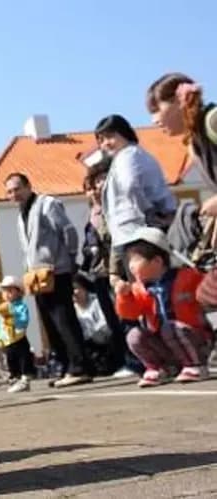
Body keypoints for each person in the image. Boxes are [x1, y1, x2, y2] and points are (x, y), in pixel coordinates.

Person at [5, 172, 93, 387]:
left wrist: (71, 258)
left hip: (56, 270)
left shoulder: (47, 204)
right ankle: (65, 366)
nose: (14, 194)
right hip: (36, 275)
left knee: (64, 319)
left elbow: (68, 230)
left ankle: (79, 367)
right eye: (9, 191)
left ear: (28, 186)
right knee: (49, 323)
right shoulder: (20, 215)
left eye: (17, 188)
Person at [115, 227, 213, 387]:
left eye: (136, 260)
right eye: (129, 261)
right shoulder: (138, 288)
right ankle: (162, 368)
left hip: (196, 339)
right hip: (166, 344)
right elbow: (129, 314)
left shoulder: (188, 276)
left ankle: (196, 365)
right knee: (134, 335)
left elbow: (208, 289)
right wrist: (124, 296)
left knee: (170, 327)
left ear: (157, 261)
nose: (131, 266)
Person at [94, 114, 177, 285]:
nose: (105, 143)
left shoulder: (128, 155)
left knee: (146, 290)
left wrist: (146, 213)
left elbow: (130, 186)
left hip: (137, 233)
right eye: (101, 140)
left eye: (110, 136)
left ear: (124, 133)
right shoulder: (134, 154)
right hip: (140, 231)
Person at [80, 160, 136, 377]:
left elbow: (113, 239)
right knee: (112, 320)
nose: (93, 191)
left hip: (119, 269)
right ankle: (125, 360)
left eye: (97, 184)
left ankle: (135, 360)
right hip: (99, 272)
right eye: (90, 187)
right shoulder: (92, 212)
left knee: (127, 315)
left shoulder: (112, 208)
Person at [147, 73, 217, 214]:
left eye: (156, 110)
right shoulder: (194, 142)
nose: (153, 120)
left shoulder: (213, 121)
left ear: (179, 101)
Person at [0, 276, 36, 393]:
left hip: (18, 337)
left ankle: (25, 378)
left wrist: (11, 316)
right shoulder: (2, 308)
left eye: (10, 291)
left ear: (19, 292)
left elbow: (23, 321)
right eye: (4, 291)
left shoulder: (20, 307)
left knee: (23, 357)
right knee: (11, 359)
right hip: (8, 339)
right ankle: (15, 378)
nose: (7, 294)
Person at [72, 274, 114, 375]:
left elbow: (104, 324)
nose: (74, 293)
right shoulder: (72, 309)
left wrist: (92, 335)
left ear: (85, 288)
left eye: (76, 288)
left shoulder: (96, 302)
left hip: (102, 340)